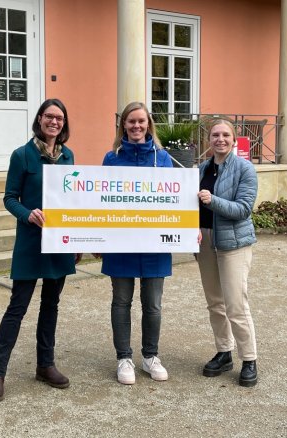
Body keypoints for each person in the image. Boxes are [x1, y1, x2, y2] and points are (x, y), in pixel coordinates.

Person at [0, 98, 80, 402]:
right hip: (30, 241)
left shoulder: (68, 157)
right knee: (17, 307)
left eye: (60, 118)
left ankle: (45, 364)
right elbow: (9, 198)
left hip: (59, 242)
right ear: (39, 120)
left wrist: (77, 238)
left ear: (64, 124)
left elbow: (73, 201)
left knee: (51, 305)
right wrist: (27, 214)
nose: (54, 122)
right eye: (49, 116)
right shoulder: (22, 155)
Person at [99, 102, 174, 385]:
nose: (136, 126)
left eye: (141, 121)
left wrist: (188, 228)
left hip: (154, 243)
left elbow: (175, 200)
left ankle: (150, 356)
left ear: (148, 124)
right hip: (120, 242)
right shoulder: (112, 157)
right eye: (131, 121)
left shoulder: (163, 158)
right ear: (123, 126)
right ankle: (124, 358)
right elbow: (101, 200)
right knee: (121, 301)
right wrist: (98, 236)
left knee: (153, 304)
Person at [196, 118, 260, 387]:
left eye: (225, 135)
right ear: (209, 140)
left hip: (234, 243)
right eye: (215, 135)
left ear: (234, 140)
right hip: (205, 241)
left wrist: (213, 200)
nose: (220, 139)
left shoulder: (245, 169)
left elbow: (243, 208)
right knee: (215, 303)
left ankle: (249, 358)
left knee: (236, 304)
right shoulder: (201, 169)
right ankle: (224, 352)